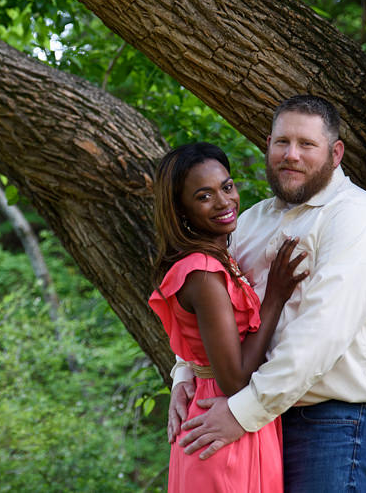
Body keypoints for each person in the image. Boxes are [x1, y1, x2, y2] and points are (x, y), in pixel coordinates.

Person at [170, 95, 366, 493]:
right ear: (267, 144)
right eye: (282, 142)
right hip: (265, 420)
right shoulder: (248, 223)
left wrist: (242, 412)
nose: (291, 155)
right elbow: (208, 308)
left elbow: (320, 336)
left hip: (341, 422)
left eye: (307, 145)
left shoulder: (357, 220)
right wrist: (185, 374)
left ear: (335, 153)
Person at [148, 142, 308, 492]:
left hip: (230, 417)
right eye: (204, 196)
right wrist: (275, 298)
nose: (224, 202)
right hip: (222, 419)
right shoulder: (204, 273)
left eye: (227, 187)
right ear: (182, 211)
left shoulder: (219, 259)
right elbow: (234, 378)